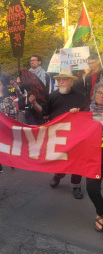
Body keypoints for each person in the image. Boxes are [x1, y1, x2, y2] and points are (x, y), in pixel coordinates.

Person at [29, 69, 89, 199]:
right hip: (57, 135)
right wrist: (33, 103)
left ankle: (76, 186)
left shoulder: (80, 96)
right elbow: (44, 113)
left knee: (76, 161)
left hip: (75, 134)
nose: (61, 82)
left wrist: (78, 112)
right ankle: (58, 175)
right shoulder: (52, 96)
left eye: (64, 79)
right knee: (60, 159)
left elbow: (87, 114)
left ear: (71, 81)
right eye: (59, 80)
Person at [85, 82, 103, 232]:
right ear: (94, 94)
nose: (102, 95)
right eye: (99, 92)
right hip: (93, 154)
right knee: (91, 187)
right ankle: (101, 212)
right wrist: (73, 114)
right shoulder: (86, 111)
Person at [0, 76, 17, 175]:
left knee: (7, 144)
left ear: (3, 86)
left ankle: (11, 161)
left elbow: (13, 114)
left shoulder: (8, 99)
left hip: (5, 127)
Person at [21, 55, 52, 125]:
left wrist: (46, 108)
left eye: (34, 60)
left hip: (41, 107)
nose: (32, 62)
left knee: (41, 130)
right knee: (30, 130)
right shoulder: (26, 75)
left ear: (39, 62)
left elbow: (49, 91)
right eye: (31, 60)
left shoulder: (46, 75)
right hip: (29, 106)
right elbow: (23, 92)